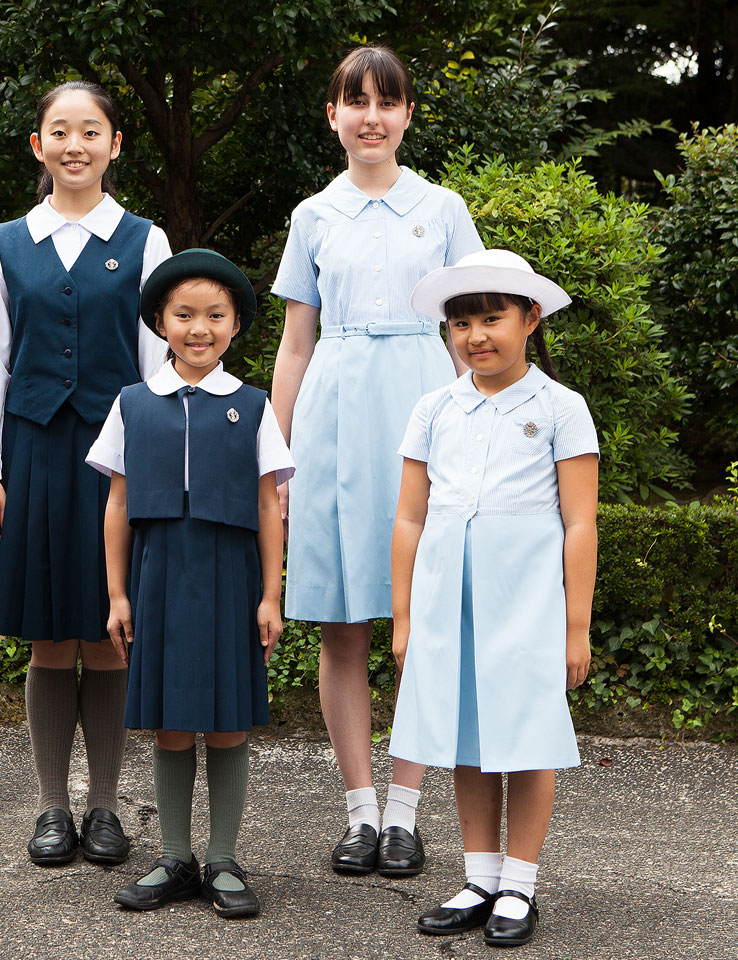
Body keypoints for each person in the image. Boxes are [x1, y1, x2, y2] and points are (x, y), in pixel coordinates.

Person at [269, 44, 484, 876]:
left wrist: (480, 428)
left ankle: (406, 811)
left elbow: (474, 330)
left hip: (425, 403)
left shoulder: (443, 208)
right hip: (332, 414)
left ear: (406, 115)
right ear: (333, 116)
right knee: (343, 624)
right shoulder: (313, 215)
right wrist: (276, 459)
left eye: (386, 101)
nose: (370, 116)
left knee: (422, 621)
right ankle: (360, 810)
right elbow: (295, 344)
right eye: (354, 101)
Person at [0, 80, 172, 867]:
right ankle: (53, 806)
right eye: (60, 130)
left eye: (91, 130)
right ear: (38, 145)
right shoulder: (6, 241)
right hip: (37, 455)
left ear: (115, 144)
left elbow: (162, 362)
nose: (75, 144)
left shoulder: (146, 239)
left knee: (110, 638)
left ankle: (108, 808)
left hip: (117, 465)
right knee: (50, 639)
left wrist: (156, 472)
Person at [390, 249, 598, 947]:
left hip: (526, 597)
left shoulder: (561, 408)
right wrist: (404, 615)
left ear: (530, 319)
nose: (476, 336)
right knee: (469, 738)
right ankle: (480, 876)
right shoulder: (433, 408)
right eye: (461, 323)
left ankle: (520, 883)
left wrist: (576, 627)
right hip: (451, 594)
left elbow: (579, 522)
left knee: (528, 737)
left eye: (492, 318)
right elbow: (410, 517)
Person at [87, 249, 293, 918]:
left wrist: (270, 595)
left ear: (235, 326)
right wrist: (117, 594)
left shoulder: (254, 406)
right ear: (158, 322)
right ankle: (176, 855)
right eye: (183, 315)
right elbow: (117, 503)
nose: (198, 328)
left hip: (231, 580)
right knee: (172, 725)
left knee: (228, 722)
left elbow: (269, 504)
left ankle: (225, 859)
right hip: (157, 579)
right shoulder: (132, 405)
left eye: (214, 316)